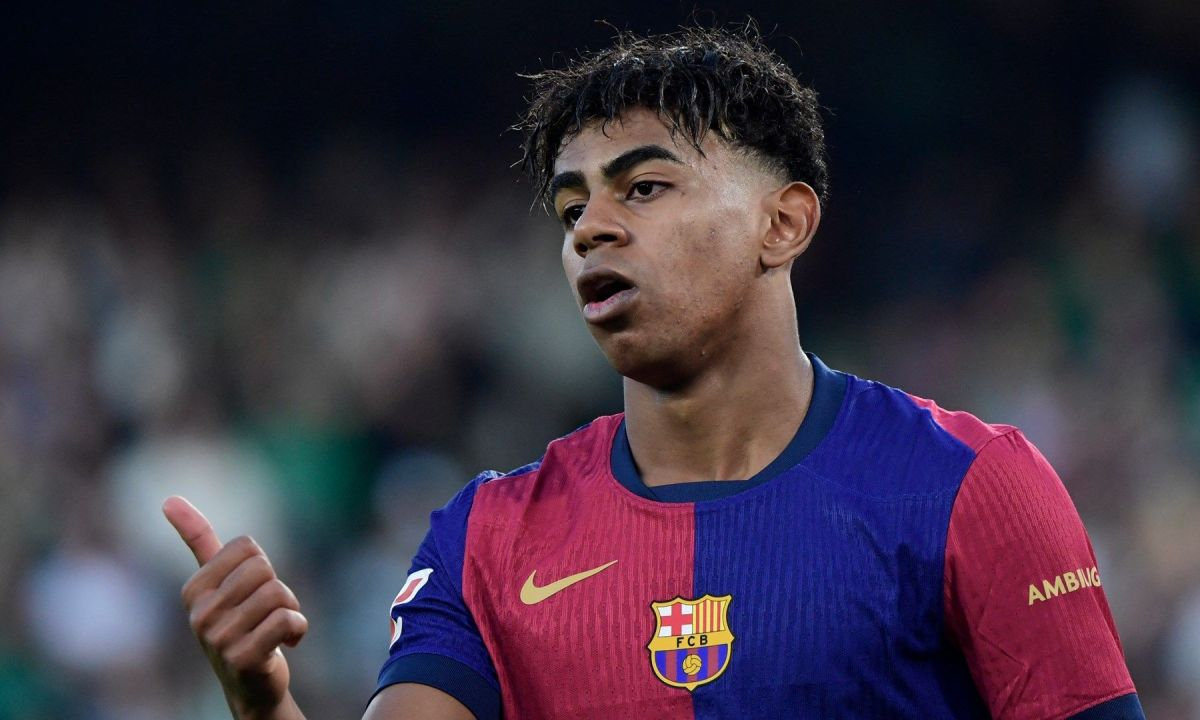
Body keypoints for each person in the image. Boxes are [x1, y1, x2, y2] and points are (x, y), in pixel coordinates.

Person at [163, 26, 1144, 720]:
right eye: (571, 209)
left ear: (783, 223)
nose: (591, 228)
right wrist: (265, 704)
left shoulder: (972, 488)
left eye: (643, 186)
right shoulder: (486, 538)